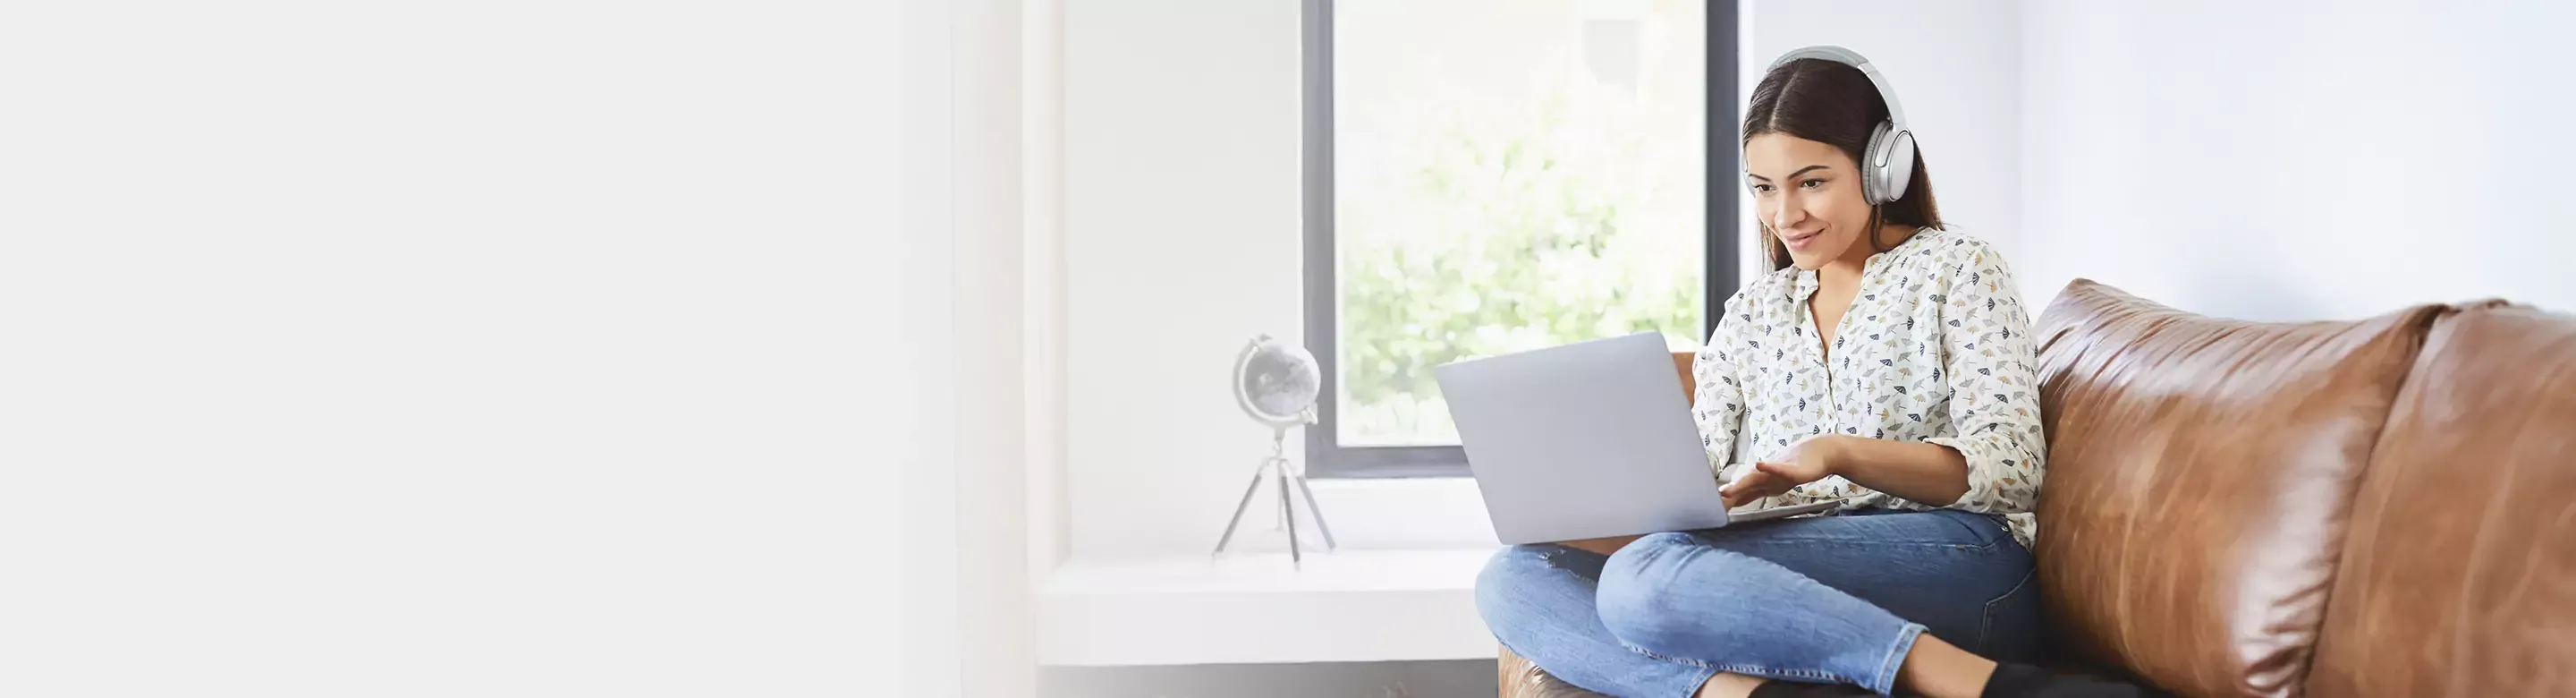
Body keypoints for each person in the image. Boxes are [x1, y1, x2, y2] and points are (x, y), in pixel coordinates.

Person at [1473, 47, 2151, 698]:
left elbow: (2013, 469)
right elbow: (1701, 476)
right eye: (1764, 189)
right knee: (1514, 575)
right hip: (1787, 556)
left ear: (1883, 167)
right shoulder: (1752, 313)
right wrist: (1602, 507)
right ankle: (1745, 692)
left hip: (1962, 560)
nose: (1784, 215)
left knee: (1642, 582)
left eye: (1812, 183)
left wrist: (1836, 454)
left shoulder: (1959, 270)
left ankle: (1978, 681)